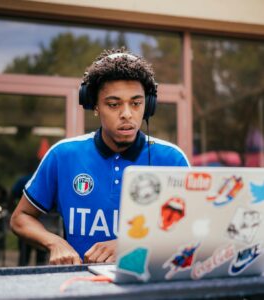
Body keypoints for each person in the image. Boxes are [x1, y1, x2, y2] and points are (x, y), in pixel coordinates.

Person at [10, 48, 190, 265]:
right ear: (94, 105)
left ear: (148, 105)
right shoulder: (63, 155)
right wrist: (54, 243)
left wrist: (128, 244)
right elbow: (21, 218)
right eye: (113, 104)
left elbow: (191, 228)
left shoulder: (172, 160)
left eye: (136, 103)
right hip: (81, 287)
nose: (126, 113)